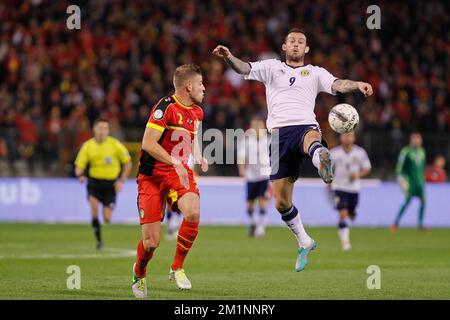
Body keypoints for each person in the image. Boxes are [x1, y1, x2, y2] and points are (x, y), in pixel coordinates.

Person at [213, 28, 373, 272]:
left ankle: (321, 158)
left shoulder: (315, 73)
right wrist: (227, 56)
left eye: (301, 42)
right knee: (280, 202)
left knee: (311, 139)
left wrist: (357, 84)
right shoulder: (271, 68)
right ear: (284, 47)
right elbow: (244, 68)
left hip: (303, 126)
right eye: (292, 41)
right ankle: (304, 241)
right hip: (277, 136)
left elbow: (338, 84)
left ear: (306, 49)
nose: (296, 45)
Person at [131, 64, 208, 299]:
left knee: (193, 212)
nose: (204, 88)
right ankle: (139, 271)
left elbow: (192, 139)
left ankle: (177, 268)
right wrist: (174, 162)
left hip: (178, 173)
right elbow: (148, 143)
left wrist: (198, 155)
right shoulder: (164, 108)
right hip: (152, 176)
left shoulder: (197, 112)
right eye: (201, 84)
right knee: (151, 242)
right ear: (188, 86)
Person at [74, 118, 132, 249]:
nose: (102, 131)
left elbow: (128, 164)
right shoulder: (88, 146)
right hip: (94, 182)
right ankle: (99, 241)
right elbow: (79, 165)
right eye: (100, 128)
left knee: (107, 217)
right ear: (94, 129)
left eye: (105, 128)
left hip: (110, 184)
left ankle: (103, 222)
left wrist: (121, 181)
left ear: (108, 131)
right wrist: (81, 175)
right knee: (94, 211)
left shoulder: (115, 145)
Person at [330, 132, 371, 250]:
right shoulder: (334, 153)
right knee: (342, 214)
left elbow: (367, 168)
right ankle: (345, 242)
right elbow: (327, 169)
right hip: (339, 187)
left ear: (354, 138)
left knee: (351, 214)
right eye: (345, 136)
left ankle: (352, 212)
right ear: (341, 138)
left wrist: (358, 174)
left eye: (350, 136)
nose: (347, 138)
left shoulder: (360, 152)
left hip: (354, 188)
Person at [237, 115, 271, 238]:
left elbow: (275, 157)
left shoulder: (268, 140)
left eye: (259, 125)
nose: (257, 128)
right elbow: (241, 156)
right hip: (251, 176)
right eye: (255, 125)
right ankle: (253, 223)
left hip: (264, 175)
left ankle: (261, 228)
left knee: (263, 200)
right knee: (249, 204)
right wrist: (241, 169)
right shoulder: (246, 141)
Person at [391, 132, 427, 231]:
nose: (417, 141)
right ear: (411, 140)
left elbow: (422, 168)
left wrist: (423, 180)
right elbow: (399, 168)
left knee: (423, 201)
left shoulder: (422, 151)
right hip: (409, 182)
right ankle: (395, 223)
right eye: (415, 139)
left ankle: (420, 224)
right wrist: (401, 181)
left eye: (419, 139)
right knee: (407, 202)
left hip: (420, 182)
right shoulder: (405, 151)